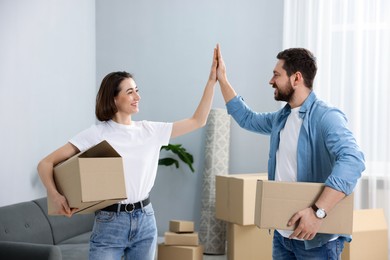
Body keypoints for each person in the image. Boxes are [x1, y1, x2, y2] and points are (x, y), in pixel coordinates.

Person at [37, 45, 218, 260]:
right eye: (129, 92)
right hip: (109, 222)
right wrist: (55, 195)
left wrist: (211, 81)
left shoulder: (150, 131)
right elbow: (46, 163)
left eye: (137, 90)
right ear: (114, 99)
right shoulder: (96, 134)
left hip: (145, 219)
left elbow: (198, 120)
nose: (137, 96)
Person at [215, 44, 365, 259]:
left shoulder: (326, 116)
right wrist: (222, 78)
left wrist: (317, 212)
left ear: (296, 78)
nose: (271, 81)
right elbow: (246, 118)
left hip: (316, 241)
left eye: (276, 74)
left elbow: (353, 160)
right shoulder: (282, 118)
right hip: (283, 236)